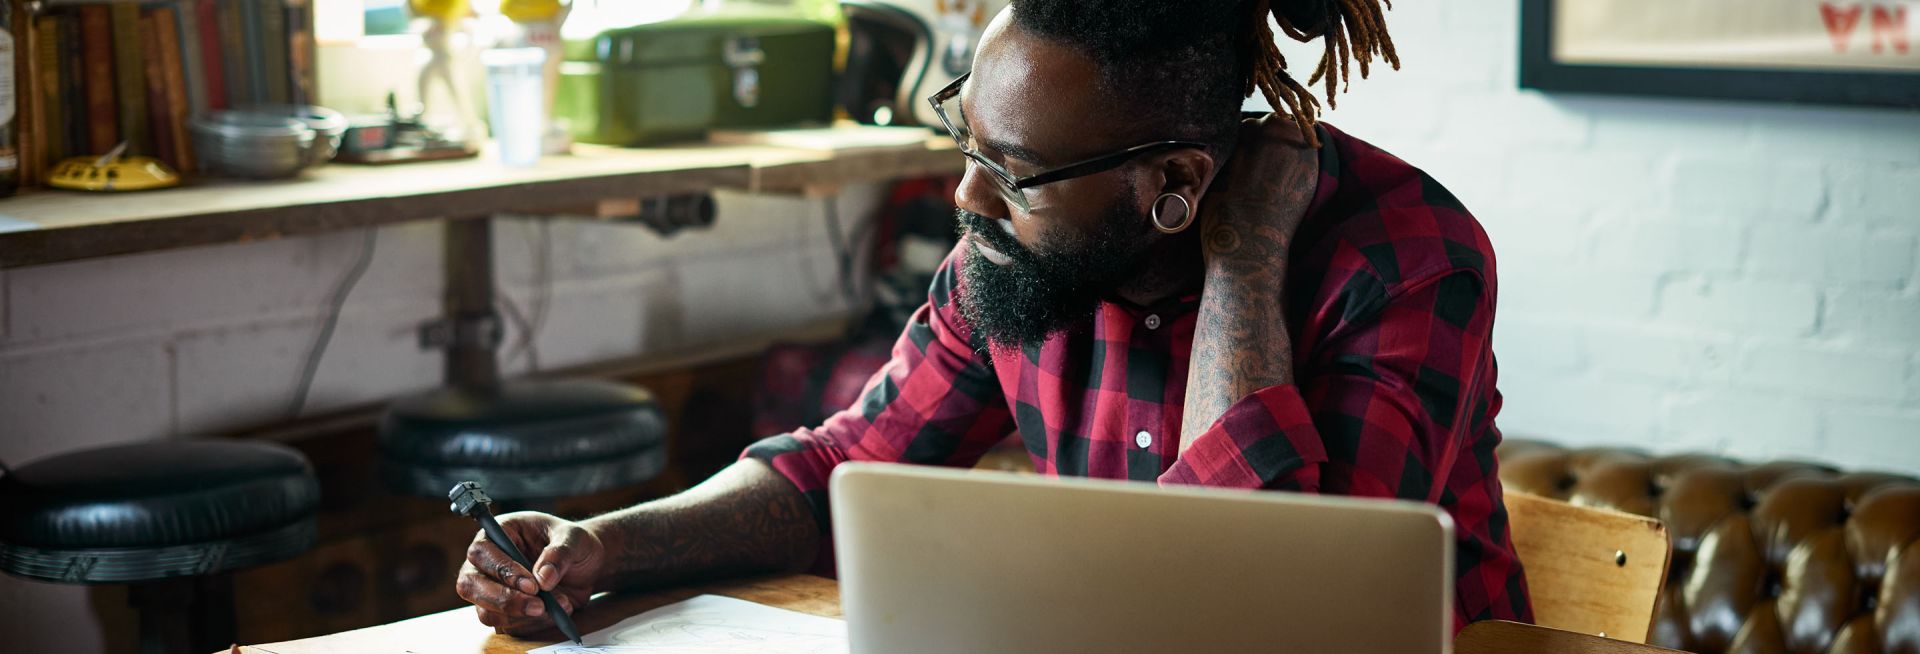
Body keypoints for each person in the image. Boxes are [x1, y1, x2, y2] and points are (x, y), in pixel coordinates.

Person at [457, 0, 1533, 635]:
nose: (968, 201)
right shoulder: (1013, 258)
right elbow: (839, 468)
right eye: (967, 143)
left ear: (1175, 182)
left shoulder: (1408, 257)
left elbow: (1285, 611)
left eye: (1014, 173)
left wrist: (1244, 266)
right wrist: (606, 547)